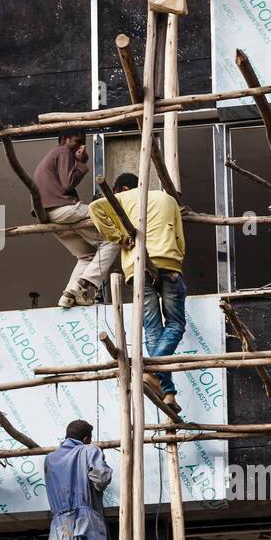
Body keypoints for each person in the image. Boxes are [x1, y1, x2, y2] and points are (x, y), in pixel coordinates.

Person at [89, 172, 187, 409]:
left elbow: (94, 208)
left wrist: (120, 237)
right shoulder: (169, 200)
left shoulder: (123, 198)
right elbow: (180, 238)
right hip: (169, 263)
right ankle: (168, 391)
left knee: (153, 328)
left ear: (121, 188)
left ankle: (158, 380)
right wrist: (177, 260)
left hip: (137, 266)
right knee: (174, 324)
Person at [33, 131, 119, 308]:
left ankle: (69, 295)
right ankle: (85, 284)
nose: (81, 147)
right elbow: (68, 184)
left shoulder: (50, 157)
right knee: (114, 238)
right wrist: (81, 162)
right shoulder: (63, 151)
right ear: (64, 139)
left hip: (50, 217)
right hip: (64, 208)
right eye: (77, 142)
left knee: (86, 255)